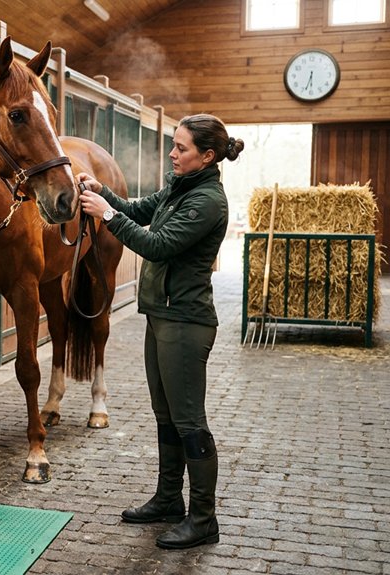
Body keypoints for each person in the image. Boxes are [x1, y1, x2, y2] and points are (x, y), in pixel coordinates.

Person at [77, 113, 243, 550]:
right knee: (165, 415)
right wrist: (102, 192)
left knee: (190, 422)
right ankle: (170, 500)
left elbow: (157, 244)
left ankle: (204, 518)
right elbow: (138, 211)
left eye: (182, 148)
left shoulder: (208, 201)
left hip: (187, 323)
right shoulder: (180, 186)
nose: (172, 153)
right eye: (173, 144)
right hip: (161, 316)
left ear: (207, 156)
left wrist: (106, 214)